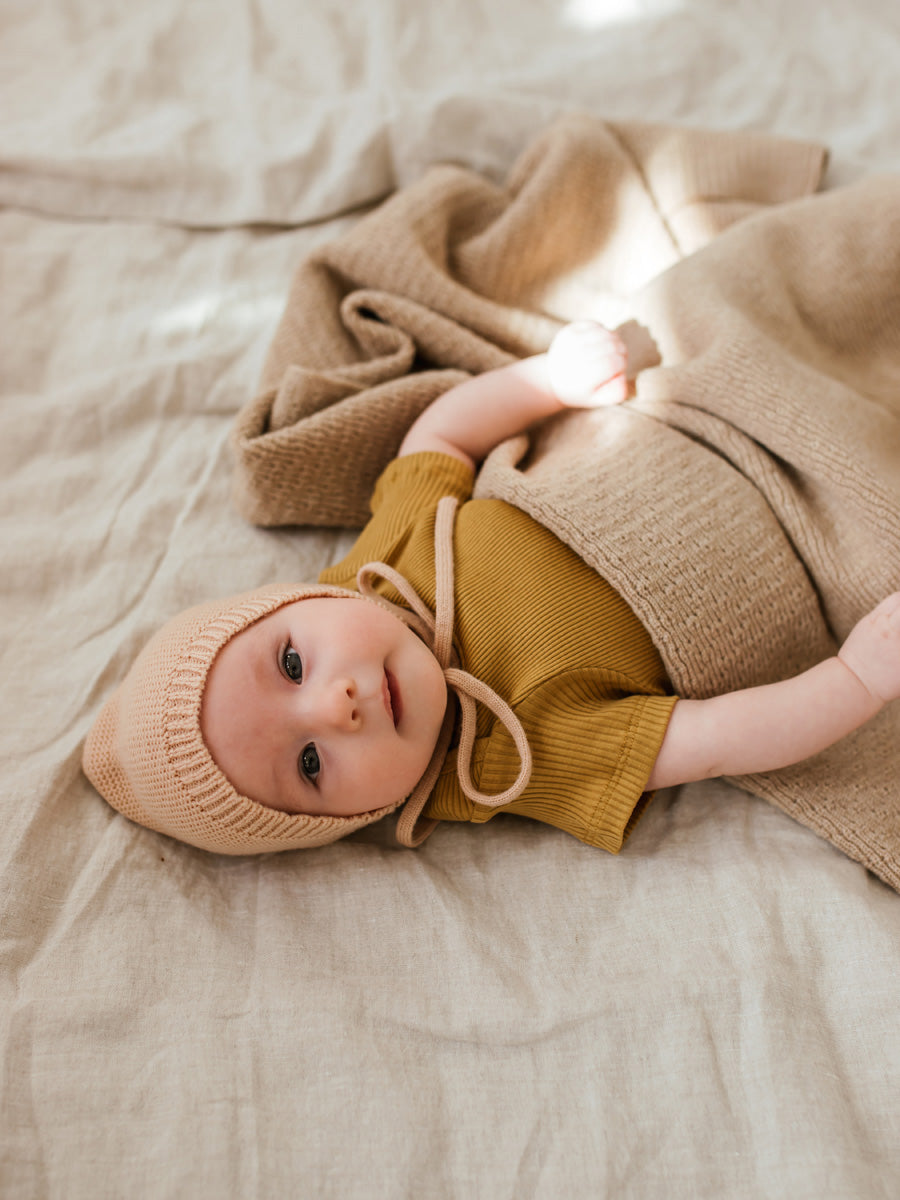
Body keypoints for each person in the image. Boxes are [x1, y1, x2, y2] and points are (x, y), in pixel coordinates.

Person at [82, 321, 900, 856]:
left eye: (291, 665)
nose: (338, 708)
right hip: (793, 535)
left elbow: (438, 434)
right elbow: (716, 735)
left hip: (681, 425)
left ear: (297, 600)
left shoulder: (387, 563)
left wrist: (549, 381)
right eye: (309, 763)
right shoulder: (504, 761)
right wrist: (855, 680)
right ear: (340, 824)